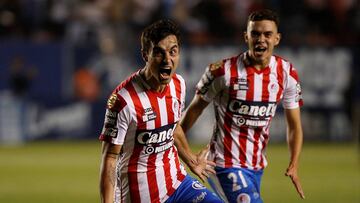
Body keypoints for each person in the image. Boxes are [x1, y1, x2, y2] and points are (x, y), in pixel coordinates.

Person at [178, 9, 305, 203]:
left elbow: (295, 125)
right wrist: (184, 152)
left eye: (267, 34)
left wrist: (294, 163)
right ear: (246, 36)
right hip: (224, 163)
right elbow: (194, 110)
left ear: (277, 38)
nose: (261, 39)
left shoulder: (287, 73)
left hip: (256, 166)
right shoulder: (222, 72)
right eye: (255, 34)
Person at [98, 19, 223, 203]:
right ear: (145, 55)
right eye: (158, 52)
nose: (167, 59)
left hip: (178, 184)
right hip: (141, 196)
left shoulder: (178, 84)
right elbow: (110, 157)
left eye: (173, 52)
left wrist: (191, 160)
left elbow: (172, 127)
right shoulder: (124, 100)